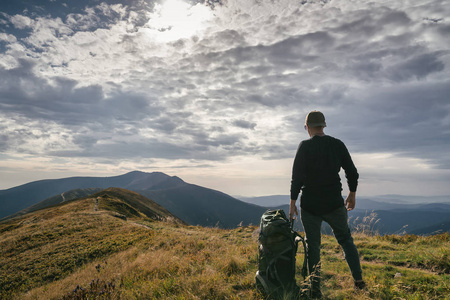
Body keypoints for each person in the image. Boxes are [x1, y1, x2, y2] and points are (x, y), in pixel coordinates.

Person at [289, 110, 366, 298]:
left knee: (313, 246)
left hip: (310, 206)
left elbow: (297, 177)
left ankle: (315, 289)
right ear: (323, 126)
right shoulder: (337, 144)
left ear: (307, 127)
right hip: (334, 203)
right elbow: (352, 172)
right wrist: (352, 194)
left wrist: (292, 202)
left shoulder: (305, 146)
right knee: (346, 240)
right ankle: (359, 282)